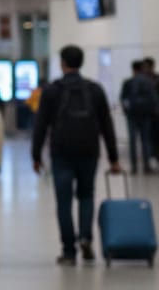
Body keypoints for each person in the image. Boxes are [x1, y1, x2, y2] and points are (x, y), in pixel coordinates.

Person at [32, 44, 121, 265]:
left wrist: (36, 155)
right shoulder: (94, 89)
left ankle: (69, 251)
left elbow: (41, 125)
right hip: (89, 150)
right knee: (86, 195)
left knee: (63, 201)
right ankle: (85, 238)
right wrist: (113, 157)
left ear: (63, 63)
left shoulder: (52, 91)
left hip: (61, 152)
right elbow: (107, 125)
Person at [119, 59, 158, 174]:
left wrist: (127, 111)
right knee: (146, 140)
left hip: (132, 115)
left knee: (132, 141)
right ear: (142, 69)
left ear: (133, 69)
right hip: (146, 116)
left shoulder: (128, 82)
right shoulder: (149, 82)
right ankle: (146, 166)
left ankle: (134, 167)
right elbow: (154, 99)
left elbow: (123, 98)